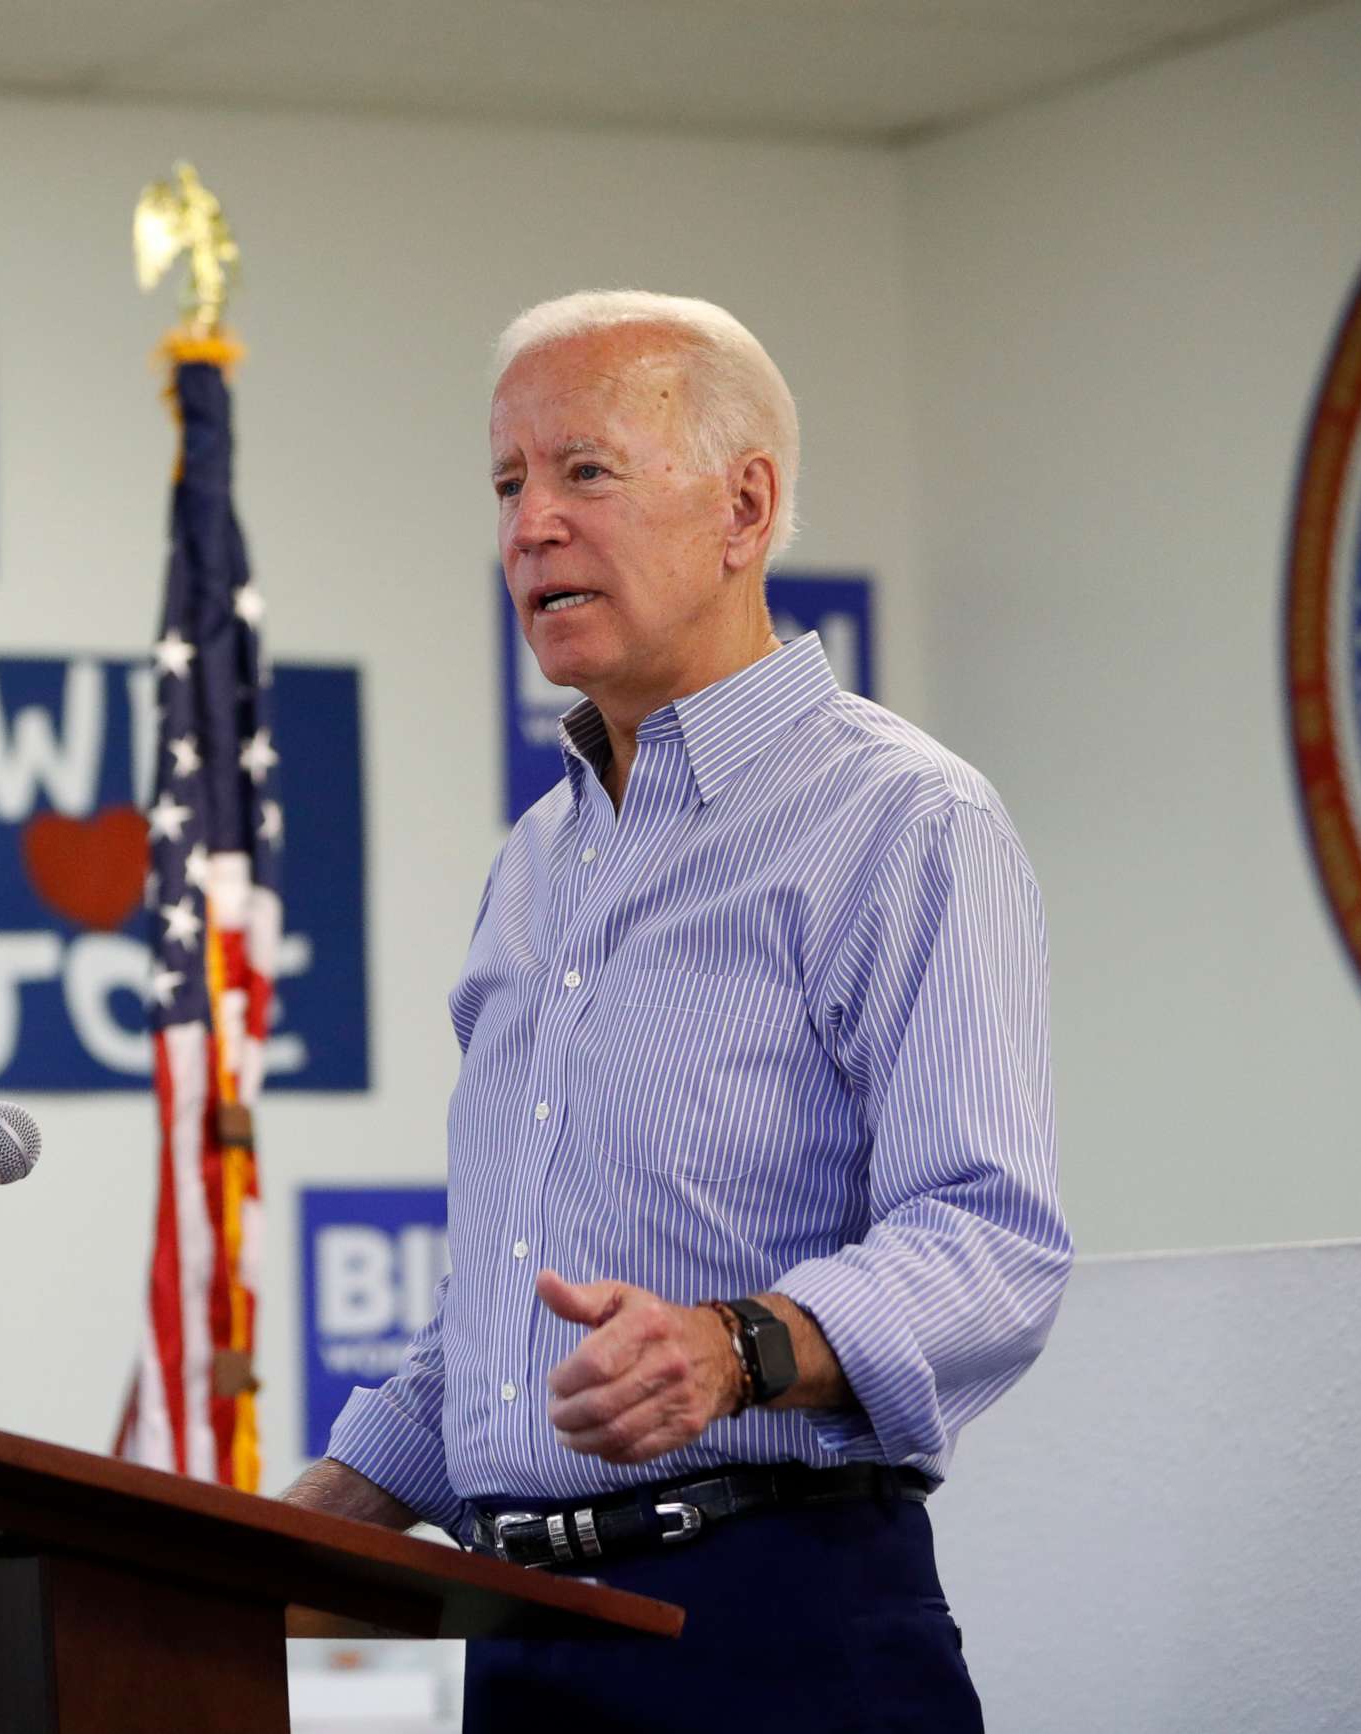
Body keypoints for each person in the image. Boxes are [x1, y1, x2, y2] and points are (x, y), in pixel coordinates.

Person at [281, 290, 1070, 1732]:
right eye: (509, 484)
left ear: (744, 506)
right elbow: (504, 1317)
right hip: (511, 1636)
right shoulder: (535, 861)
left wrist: (737, 1344)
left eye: (585, 471)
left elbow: (992, 1241)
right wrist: (314, 1521)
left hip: (773, 1624)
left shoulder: (901, 820)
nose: (529, 527)